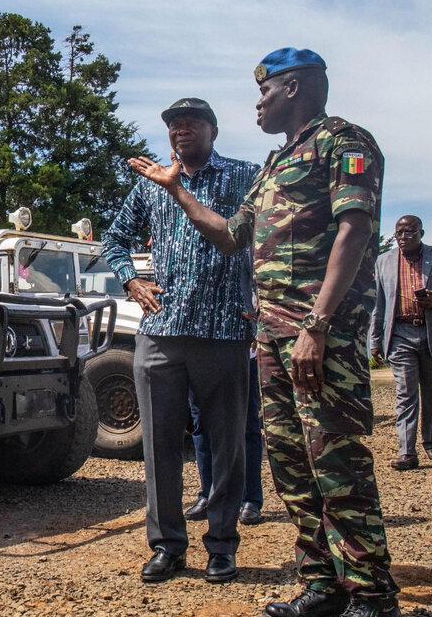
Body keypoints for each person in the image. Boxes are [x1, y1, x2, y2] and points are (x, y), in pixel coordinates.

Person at [128, 49, 399, 617]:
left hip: (320, 336)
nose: (257, 103)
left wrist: (317, 325)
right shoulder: (276, 165)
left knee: (336, 458)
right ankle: (323, 585)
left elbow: (355, 232)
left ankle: (371, 592)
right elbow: (229, 236)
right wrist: (176, 190)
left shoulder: (344, 143)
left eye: (264, 93)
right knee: (291, 461)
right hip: (271, 336)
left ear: (294, 87)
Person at [102, 97, 258, 585]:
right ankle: (167, 546)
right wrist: (131, 280)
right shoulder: (148, 186)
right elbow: (113, 238)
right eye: (172, 125)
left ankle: (222, 546)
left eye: (190, 123)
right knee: (160, 448)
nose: (179, 131)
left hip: (224, 331)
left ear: (213, 129)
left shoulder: (244, 175)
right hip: (160, 334)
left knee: (227, 445)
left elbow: (246, 236)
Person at [369, 216, 432, 470]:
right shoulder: (384, 261)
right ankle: (406, 451)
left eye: (410, 231)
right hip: (400, 334)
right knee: (405, 393)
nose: (404, 236)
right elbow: (378, 305)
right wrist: (375, 341)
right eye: (399, 231)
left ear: (421, 232)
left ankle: (431, 442)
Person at [186, 346, 265, 525]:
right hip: (196, 352)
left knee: (245, 424)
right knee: (201, 424)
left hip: (239, 348)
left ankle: (250, 500)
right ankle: (208, 494)